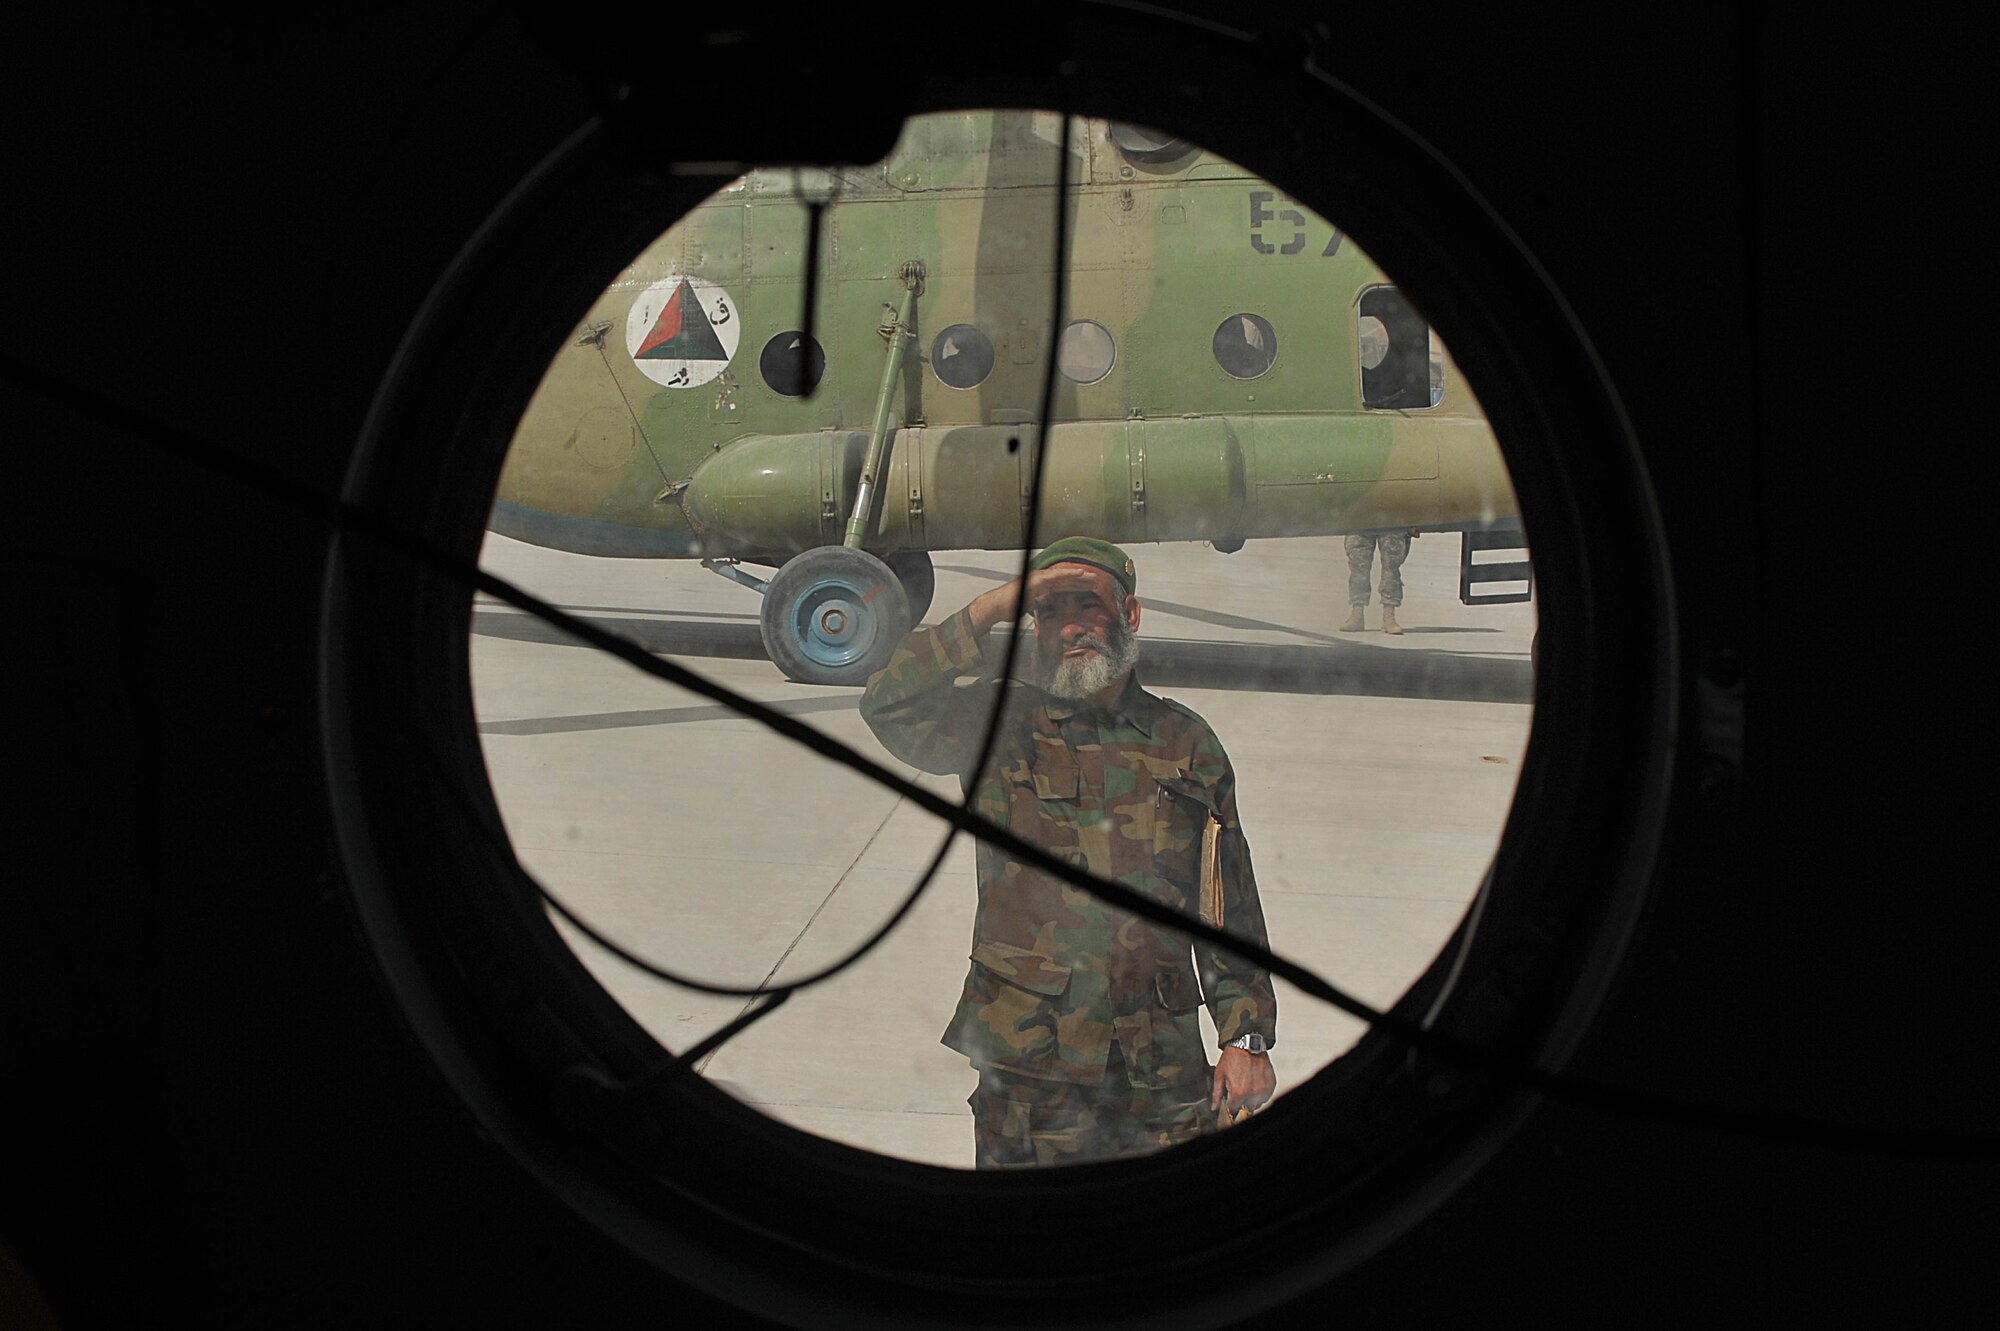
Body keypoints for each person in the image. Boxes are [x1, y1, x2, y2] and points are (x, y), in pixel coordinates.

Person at [860, 537, 1278, 1168]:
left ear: (1130, 615)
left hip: (1157, 1070)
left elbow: (1226, 900)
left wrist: (1244, 1035)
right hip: (1031, 1065)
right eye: (1050, 612)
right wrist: (992, 607)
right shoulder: (998, 722)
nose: (1071, 627)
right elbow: (888, 703)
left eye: (1091, 607)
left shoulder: (1185, 741)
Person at [1339, 529, 1415, 634]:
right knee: (1358, 565)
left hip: (1392, 519)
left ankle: (1389, 616)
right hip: (1361, 518)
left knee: (1391, 566)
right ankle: (1357, 614)